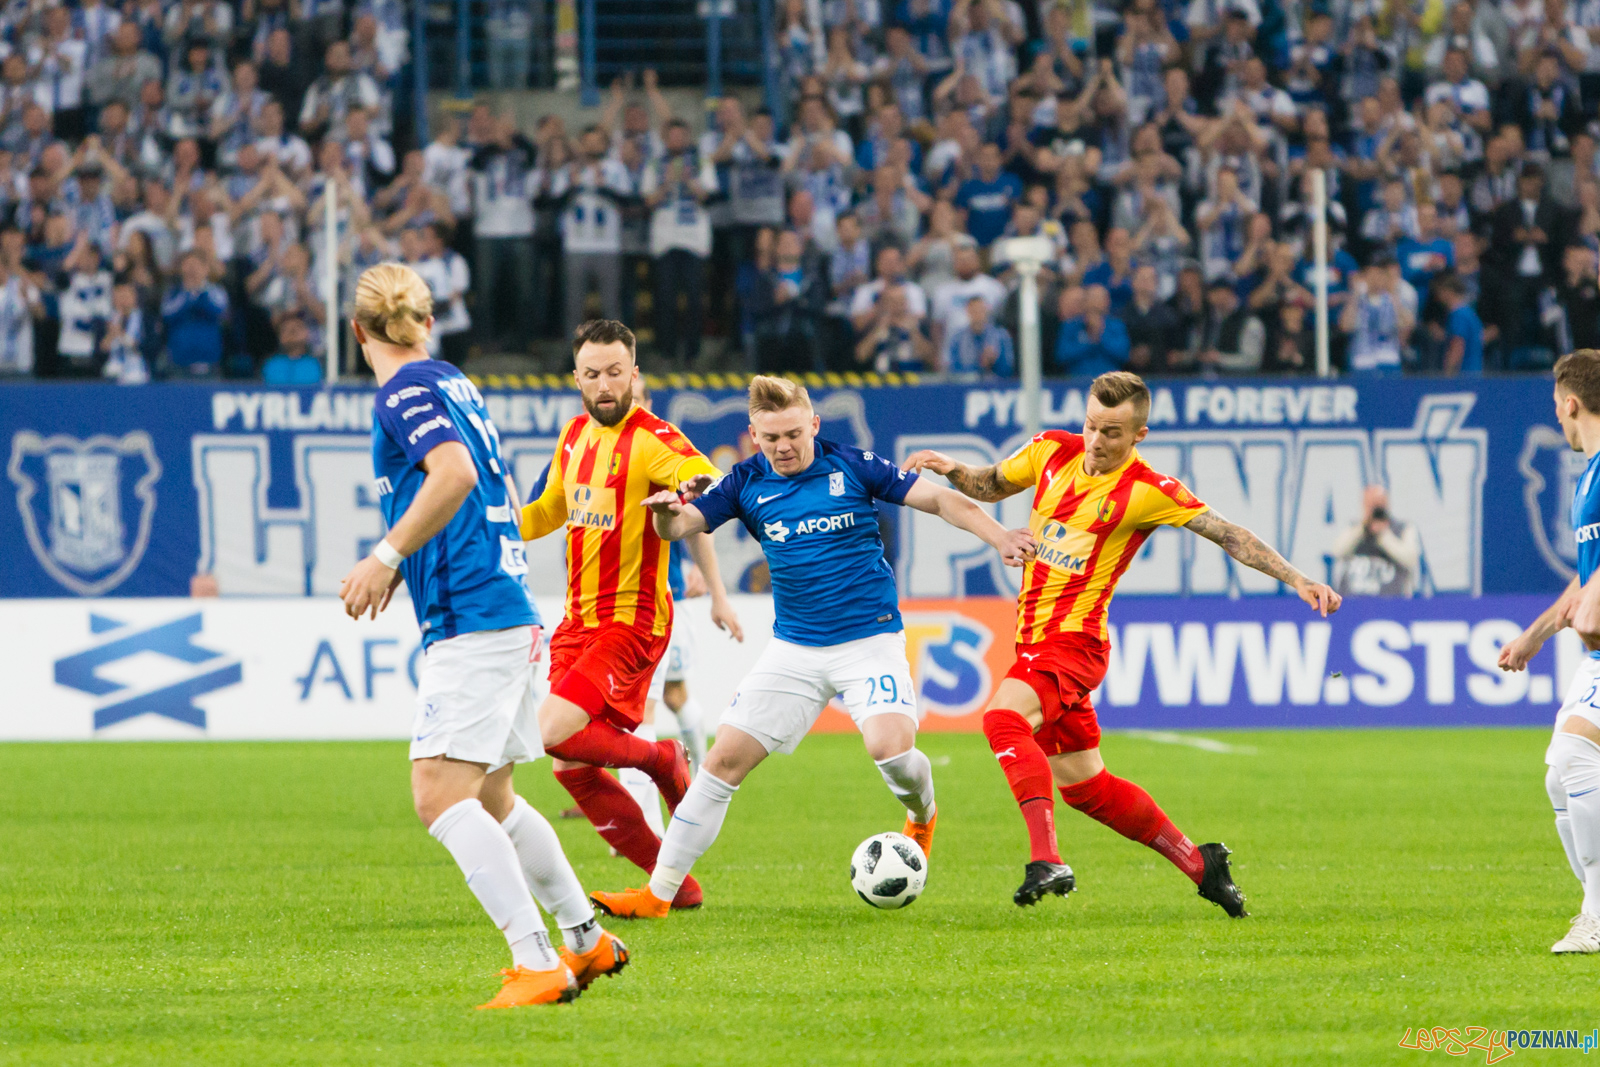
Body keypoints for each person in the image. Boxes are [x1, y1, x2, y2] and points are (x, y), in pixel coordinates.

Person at [587, 375, 1036, 919]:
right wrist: (663, 510)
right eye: (771, 437)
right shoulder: (744, 482)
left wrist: (1001, 537)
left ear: (814, 426)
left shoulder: (852, 465)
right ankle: (657, 895)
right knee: (723, 762)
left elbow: (941, 501)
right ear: (754, 436)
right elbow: (681, 525)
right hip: (794, 650)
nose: (784, 446)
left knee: (890, 751)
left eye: (794, 433)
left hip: (869, 639)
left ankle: (923, 813)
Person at [902, 371, 1342, 912]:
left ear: (1139, 435)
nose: (1096, 441)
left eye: (1112, 432)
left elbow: (1229, 534)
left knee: (1001, 720)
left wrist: (1298, 579)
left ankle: (1047, 858)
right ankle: (1201, 864)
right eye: (1091, 425)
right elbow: (990, 484)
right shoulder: (1051, 451)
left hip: (1073, 643)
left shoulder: (1147, 491)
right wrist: (952, 468)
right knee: (1087, 787)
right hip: (1034, 643)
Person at [338, 263, 628, 1010]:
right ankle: (584, 936)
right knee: (493, 794)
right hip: (502, 601)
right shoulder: (451, 383)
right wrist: (413, 558)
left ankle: (535, 962)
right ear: (427, 322)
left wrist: (385, 556)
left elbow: (456, 474)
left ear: (358, 331)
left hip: (474, 614)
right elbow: (480, 486)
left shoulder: (401, 391)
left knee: (438, 793)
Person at [518, 320, 719, 909]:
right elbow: (551, 509)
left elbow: (698, 471)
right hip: (575, 620)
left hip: (632, 622)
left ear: (634, 374)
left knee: (551, 730)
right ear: (576, 378)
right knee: (568, 769)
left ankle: (662, 757)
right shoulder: (574, 433)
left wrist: (685, 492)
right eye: (592, 374)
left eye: (614, 373)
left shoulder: (654, 436)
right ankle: (676, 886)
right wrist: (494, 524)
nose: (604, 385)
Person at [1498, 350, 1600, 954]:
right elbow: (1585, 578)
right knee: (1561, 779)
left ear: (1570, 402)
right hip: (1596, 652)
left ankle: (1598, 912)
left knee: (1572, 755)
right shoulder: (1589, 475)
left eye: (1556, 408)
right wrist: (1536, 635)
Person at [1331, 485, 1424, 597]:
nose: (1375, 508)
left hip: (1390, 605)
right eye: (1371, 504)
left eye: (1379, 503)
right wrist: (1362, 528)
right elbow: (1337, 551)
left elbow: (1410, 560)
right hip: (1353, 604)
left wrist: (1383, 535)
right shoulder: (1354, 529)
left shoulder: (1403, 529)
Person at [945, 293, 1015, 375]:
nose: (978, 314)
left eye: (981, 310)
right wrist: (979, 365)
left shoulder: (1001, 336)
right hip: (967, 385)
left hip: (996, 385)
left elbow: (1008, 369)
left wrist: (995, 360)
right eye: (974, 311)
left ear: (987, 311)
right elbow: (953, 369)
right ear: (968, 311)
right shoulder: (957, 338)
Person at [1437, 274, 1484, 374]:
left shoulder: (1459, 315)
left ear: (1449, 292)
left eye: (1441, 292)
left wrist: (1448, 373)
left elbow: (1457, 345)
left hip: (1463, 375)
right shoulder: (1470, 313)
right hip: (1474, 372)